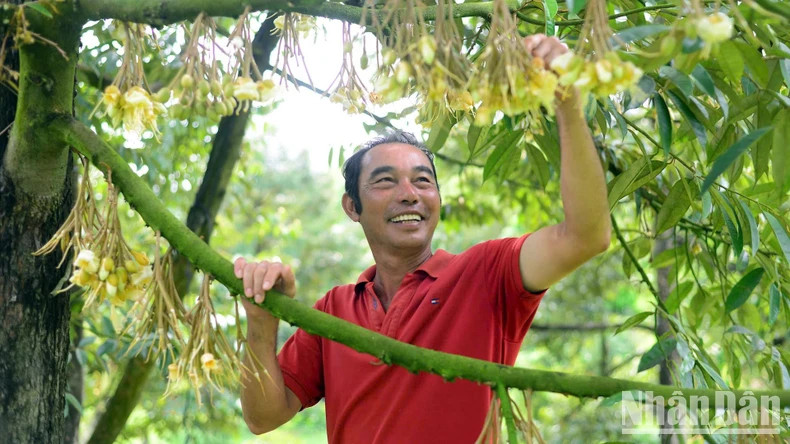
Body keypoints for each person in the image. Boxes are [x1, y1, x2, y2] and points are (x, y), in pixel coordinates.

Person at [234, 34, 611, 442]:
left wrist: (567, 101)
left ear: (438, 198)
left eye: (422, 180)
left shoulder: (487, 274)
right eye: (385, 181)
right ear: (351, 206)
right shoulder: (333, 311)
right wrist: (261, 318)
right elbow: (263, 416)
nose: (409, 193)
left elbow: (585, 236)